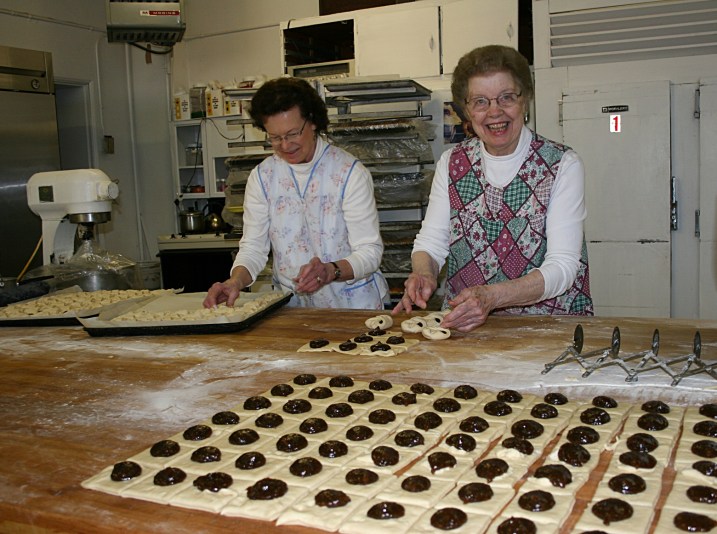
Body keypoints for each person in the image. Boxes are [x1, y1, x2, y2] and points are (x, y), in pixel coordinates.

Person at [393, 45, 593, 331]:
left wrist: (492, 297)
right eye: (480, 101)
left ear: (526, 100)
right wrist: (424, 273)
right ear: (467, 109)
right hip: (467, 325)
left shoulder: (561, 164)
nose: (494, 112)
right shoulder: (453, 163)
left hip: (547, 327)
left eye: (506, 98)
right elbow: (431, 242)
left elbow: (563, 267)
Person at [203, 77, 388, 309]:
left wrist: (331, 270)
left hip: (353, 306)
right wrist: (235, 281)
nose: (285, 145)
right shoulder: (263, 178)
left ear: (312, 122)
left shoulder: (348, 173)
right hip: (294, 309)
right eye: (275, 137)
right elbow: (253, 248)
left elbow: (370, 252)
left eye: (292, 134)